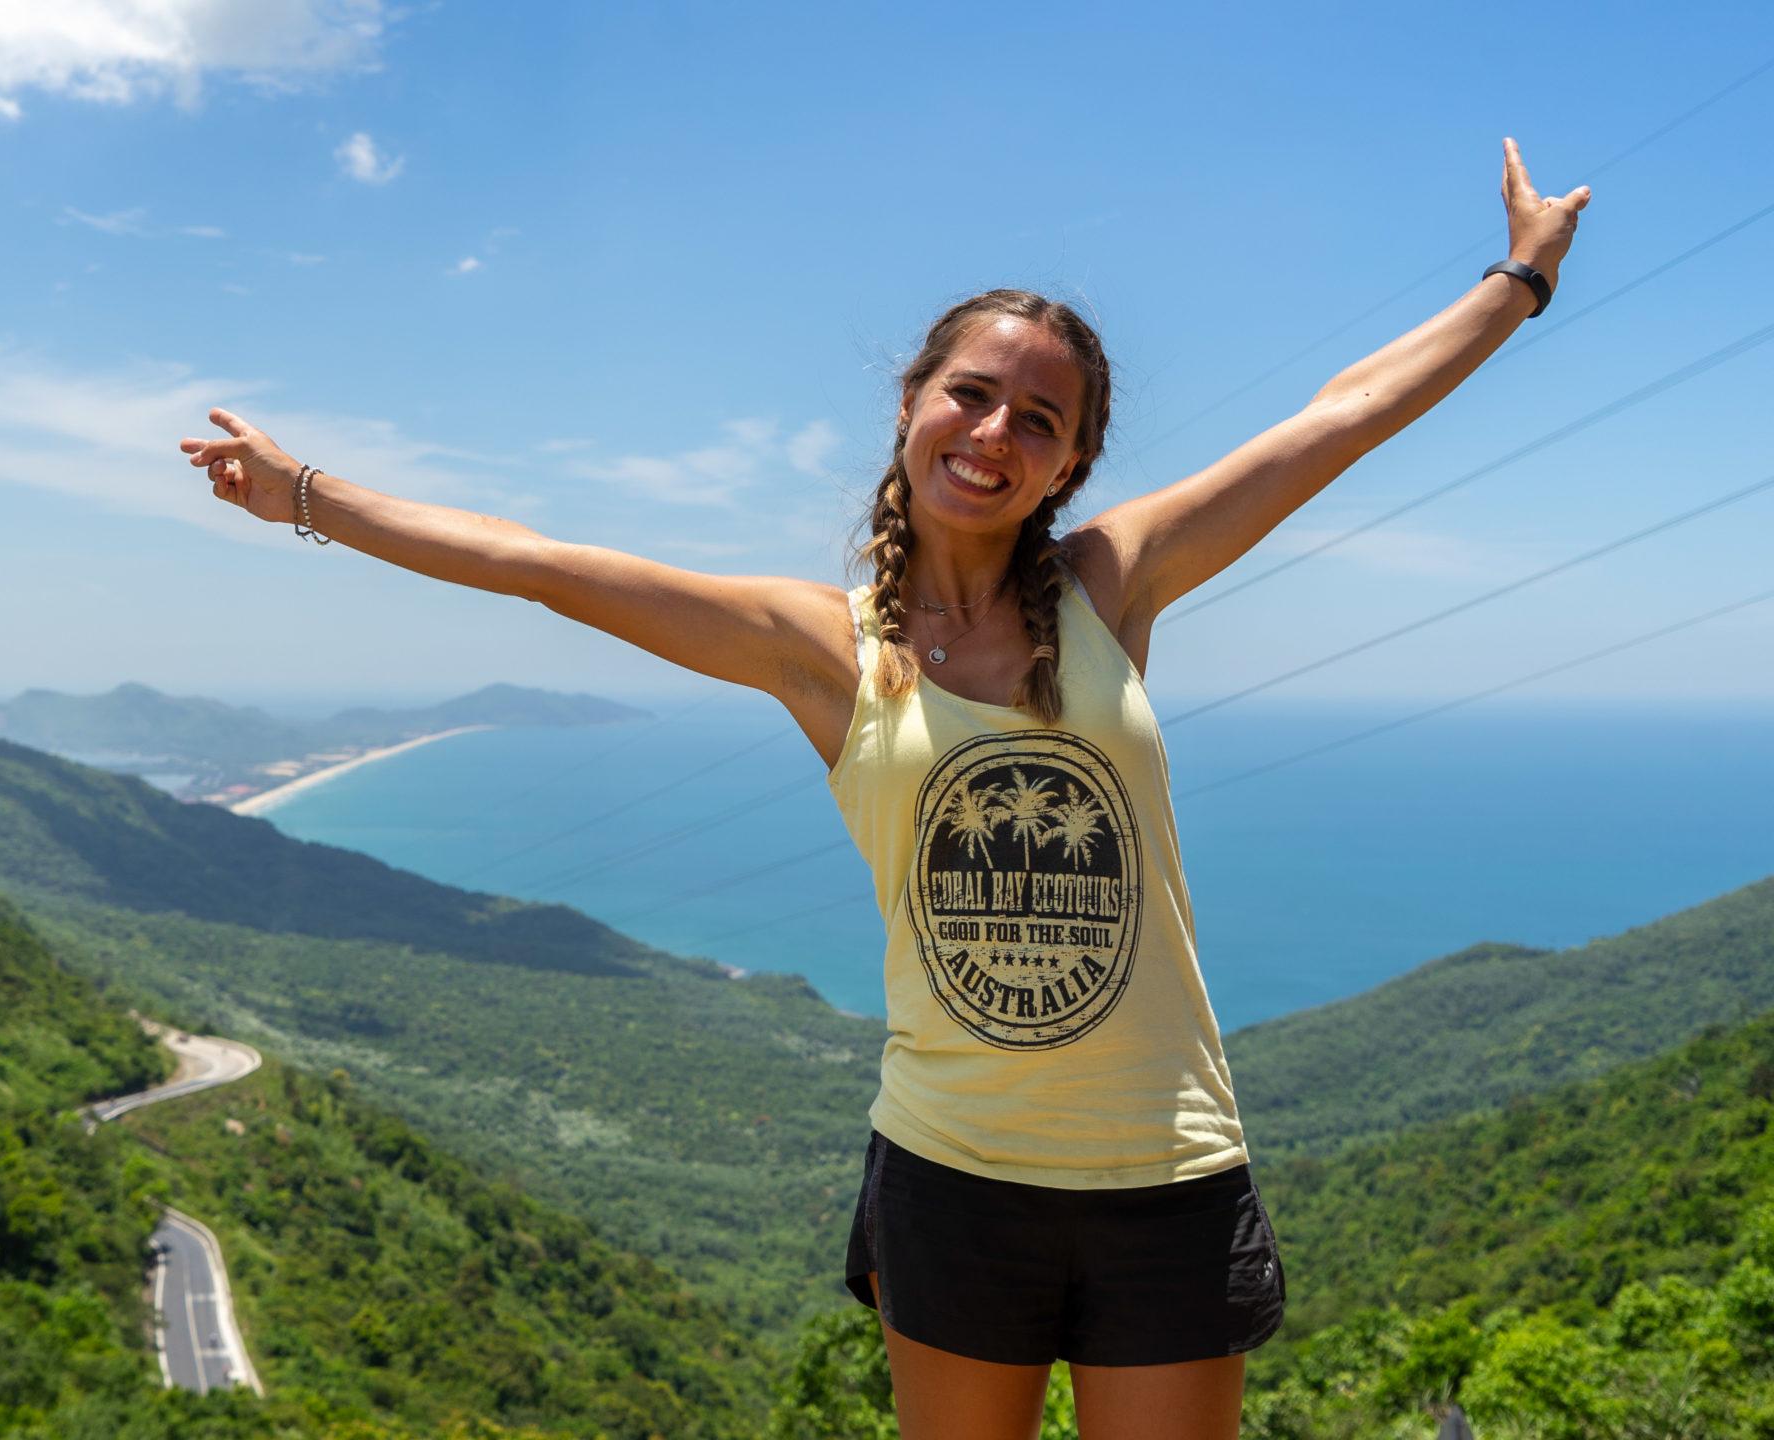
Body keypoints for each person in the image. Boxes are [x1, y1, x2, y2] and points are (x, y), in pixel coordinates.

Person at [177, 138, 1588, 1440]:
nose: (994, 430)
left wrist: (1516, 281)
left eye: (1040, 417)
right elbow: (539, 563)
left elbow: (1333, 422)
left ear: (1072, 462)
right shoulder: (821, 649)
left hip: (1167, 1171)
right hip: (954, 1173)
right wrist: (310, 495)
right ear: (912, 405)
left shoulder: (1110, 584)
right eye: (970, 393)